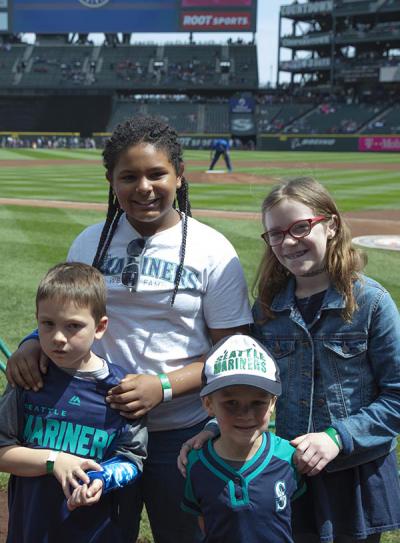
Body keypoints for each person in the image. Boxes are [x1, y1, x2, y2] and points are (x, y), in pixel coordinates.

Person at [6, 116, 252, 543]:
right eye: (129, 176)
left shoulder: (212, 249)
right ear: (110, 180)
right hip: (92, 428)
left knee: (181, 534)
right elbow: (68, 309)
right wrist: (32, 344)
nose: (144, 187)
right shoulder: (90, 241)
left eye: (157, 173)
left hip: (180, 433)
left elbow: (232, 351)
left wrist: (164, 386)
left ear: (179, 174)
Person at [178, 177, 400, 543]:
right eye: (276, 234)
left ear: (331, 225)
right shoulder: (268, 309)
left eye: (301, 227)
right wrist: (215, 428)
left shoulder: (372, 304)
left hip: (350, 472)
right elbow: (249, 390)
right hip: (284, 471)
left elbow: (395, 397)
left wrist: (337, 438)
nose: (289, 241)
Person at [0, 262, 147, 543]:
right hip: (31, 529)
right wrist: (54, 461)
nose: (58, 337)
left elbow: (132, 459)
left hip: (97, 531)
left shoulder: (120, 391)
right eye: (48, 324)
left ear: (100, 327)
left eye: (73, 326)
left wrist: (102, 478)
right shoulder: (29, 381)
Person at [181, 334, 305, 543]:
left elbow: (297, 518)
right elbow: (204, 522)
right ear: (208, 403)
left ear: (273, 402)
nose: (246, 414)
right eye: (231, 402)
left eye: (258, 403)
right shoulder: (197, 464)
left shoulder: (289, 457)